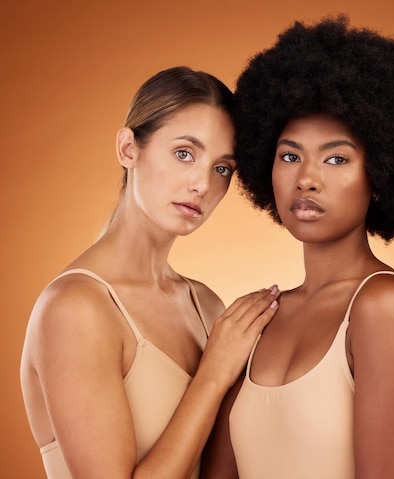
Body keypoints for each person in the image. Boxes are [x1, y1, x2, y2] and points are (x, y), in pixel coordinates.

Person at [201, 16, 394, 479]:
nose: (306, 178)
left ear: (381, 174)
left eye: (336, 158)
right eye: (289, 156)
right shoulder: (259, 318)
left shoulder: (382, 306)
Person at [20, 66, 280, 479]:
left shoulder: (206, 305)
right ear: (128, 148)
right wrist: (212, 375)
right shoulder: (75, 309)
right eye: (184, 153)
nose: (202, 184)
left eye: (222, 168)